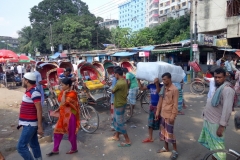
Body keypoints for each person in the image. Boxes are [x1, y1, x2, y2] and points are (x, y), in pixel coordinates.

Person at [198, 68, 235, 160]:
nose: (217, 79)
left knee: (218, 149)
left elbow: (227, 110)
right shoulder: (219, 87)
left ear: (225, 77)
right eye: (215, 77)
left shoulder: (227, 90)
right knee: (213, 148)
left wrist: (222, 126)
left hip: (216, 123)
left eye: (219, 77)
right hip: (209, 121)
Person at [47, 78, 80, 156]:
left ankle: (74, 148)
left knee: (72, 134)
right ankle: (55, 150)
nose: (61, 86)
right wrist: (57, 109)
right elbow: (61, 104)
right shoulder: (62, 92)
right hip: (63, 116)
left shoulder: (73, 94)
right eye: (61, 84)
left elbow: (63, 103)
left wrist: (64, 93)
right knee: (57, 132)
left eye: (62, 85)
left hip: (71, 116)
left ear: (68, 85)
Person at [17, 72, 43, 160]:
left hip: (30, 124)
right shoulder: (29, 91)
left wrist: (40, 126)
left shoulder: (34, 92)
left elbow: (39, 110)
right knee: (34, 144)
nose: (22, 80)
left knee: (21, 147)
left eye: (23, 79)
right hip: (28, 123)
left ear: (27, 81)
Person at [155, 72, 179, 160]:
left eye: (165, 79)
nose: (164, 81)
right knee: (163, 132)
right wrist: (157, 112)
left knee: (170, 133)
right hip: (163, 113)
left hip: (170, 115)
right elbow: (160, 100)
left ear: (169, 79)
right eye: (163, 80)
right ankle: (166, 147)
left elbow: (175, 104)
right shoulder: (163, 88)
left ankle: (175, 150)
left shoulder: (174, 90)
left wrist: (173, 116)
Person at [108, 67, 131, 147]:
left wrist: (110, 88)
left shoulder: (119, 83)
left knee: (120, 123)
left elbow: (113, 90)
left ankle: (127, 140)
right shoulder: (124, 81)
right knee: (116, 120)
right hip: (121, 103)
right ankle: (116, 136)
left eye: (115, 74)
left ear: (117, 74)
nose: (114, 76)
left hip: (119, 104)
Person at [137, 78, 161, 143]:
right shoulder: (150, 85)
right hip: (152, 107)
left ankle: (162, 136)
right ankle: (150, 138)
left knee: (161, 122)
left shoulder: (161, 86)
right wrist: (138, 81)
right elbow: (141, 88)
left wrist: (157, 84)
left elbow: (158, 91)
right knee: (150, 123)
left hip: (159, 107)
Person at [107, 65, 117, 129]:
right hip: (116, 99)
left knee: (113, 113)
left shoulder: (115, 78)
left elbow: (113, 89)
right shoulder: (117, 79)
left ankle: (114, 126)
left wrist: (111, 90)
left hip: (114, 99)